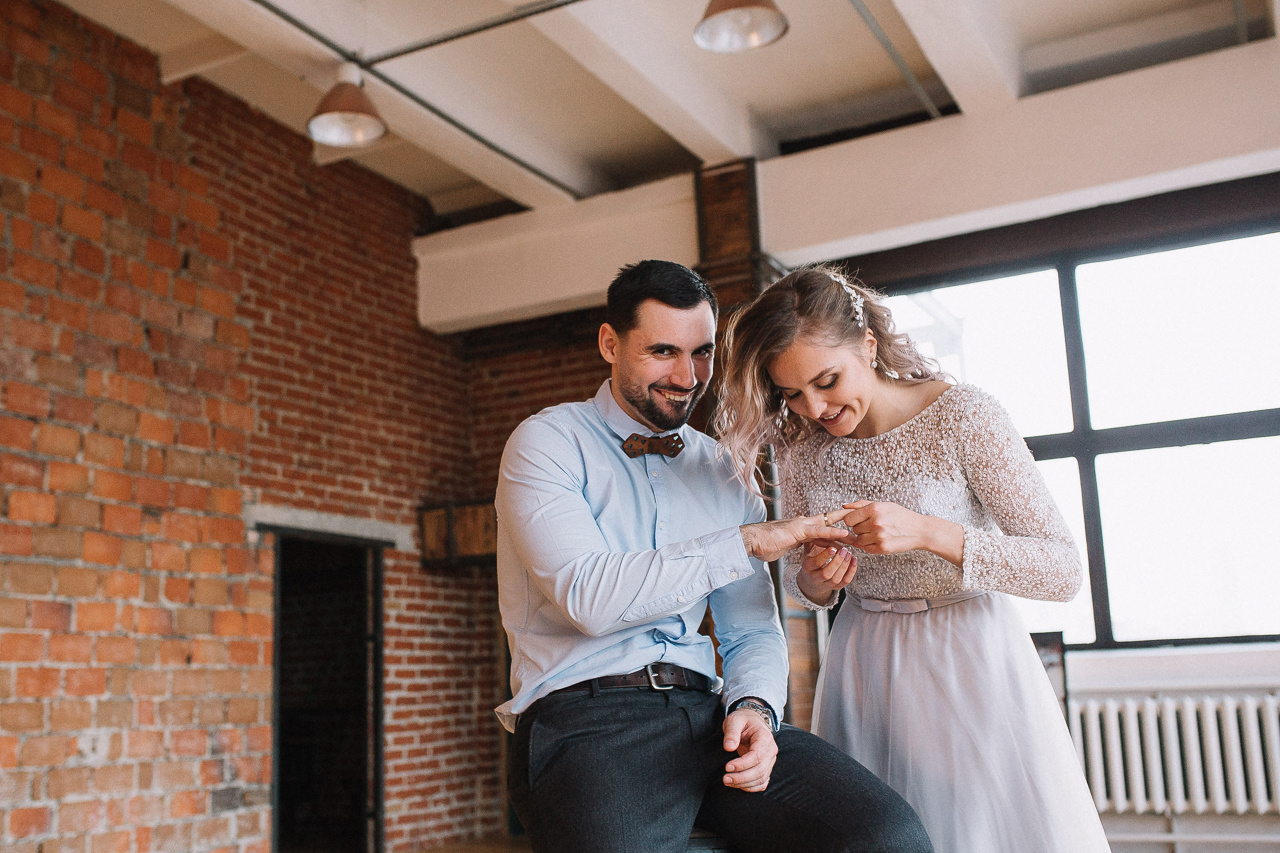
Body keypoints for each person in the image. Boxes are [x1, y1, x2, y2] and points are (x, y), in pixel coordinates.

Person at [495, 260, 933, 853]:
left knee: (888, 837)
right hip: (586, 723)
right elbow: (589, 600)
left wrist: (754, 707)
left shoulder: (724, 469)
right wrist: (749, 541)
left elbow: (751, 629)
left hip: (709, 715)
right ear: (609, 343)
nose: (687, 375)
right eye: (663, 352)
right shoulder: (545, 444)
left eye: (701, 353)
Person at [714, 265, 1112, 853]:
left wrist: (928, 532)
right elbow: (805, 591)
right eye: (792, 393)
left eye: (827, 380)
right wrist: (818, 582)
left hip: (967, 655)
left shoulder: (965, 416)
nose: (815, 407)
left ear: (868, 346)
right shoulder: (798, 444)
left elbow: (1061, 570)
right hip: (863, 661)